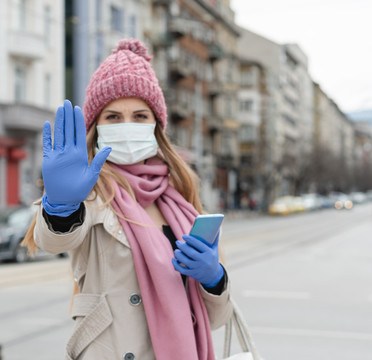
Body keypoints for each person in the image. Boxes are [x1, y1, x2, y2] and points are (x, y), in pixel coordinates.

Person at [23, 39, 232, 360]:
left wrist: (214, 281)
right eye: (113, 117)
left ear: (156, 125)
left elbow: (214, 320)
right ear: (96, 126)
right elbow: (53, 242)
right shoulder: (89, 191)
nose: (127, 126)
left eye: (139, 115)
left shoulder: (179, 197)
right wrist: (61, 207)